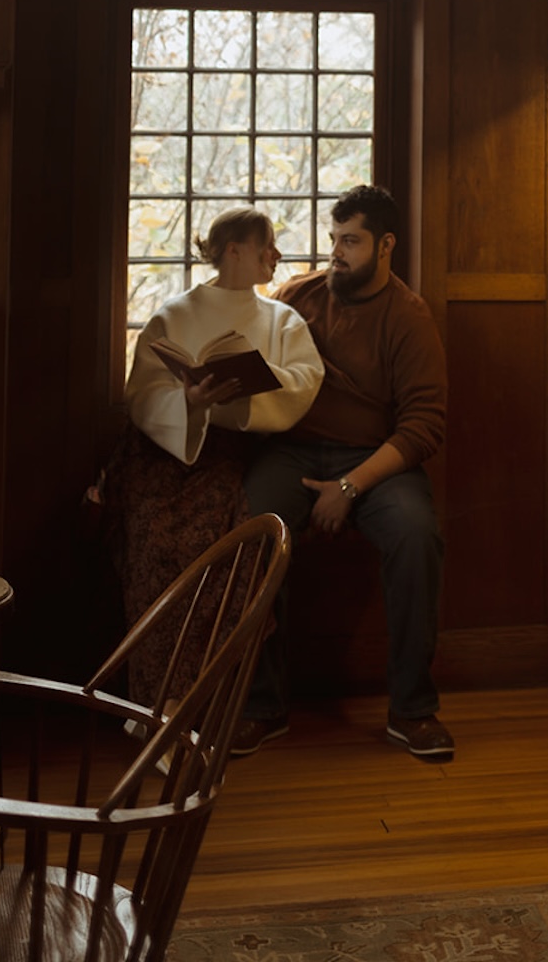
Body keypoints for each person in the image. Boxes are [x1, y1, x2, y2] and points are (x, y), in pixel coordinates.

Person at [233, 184, 453, 761]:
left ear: (385, 246)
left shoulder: (409, 317)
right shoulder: (298, 295)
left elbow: (424, 426)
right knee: (253, 528)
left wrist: (351, 487)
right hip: (293, 449)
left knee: (415, 534)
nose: (336, 252)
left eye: (350, 242)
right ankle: (261, 706)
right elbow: (257, 370)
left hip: (375, 459)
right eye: (333, 239)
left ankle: (413, 708)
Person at [105, 206, 323, 706]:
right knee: (154, 539)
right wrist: (188, 401)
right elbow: (142, 393)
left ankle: (209, 702)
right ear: (235, 251)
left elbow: (304, 380)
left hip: (231, 456)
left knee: (217, 550)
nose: (277, 256)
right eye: (268, 246)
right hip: (160, 455)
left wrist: (242, 392)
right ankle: (153, 703)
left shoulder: (281, 319)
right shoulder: (173, 315)